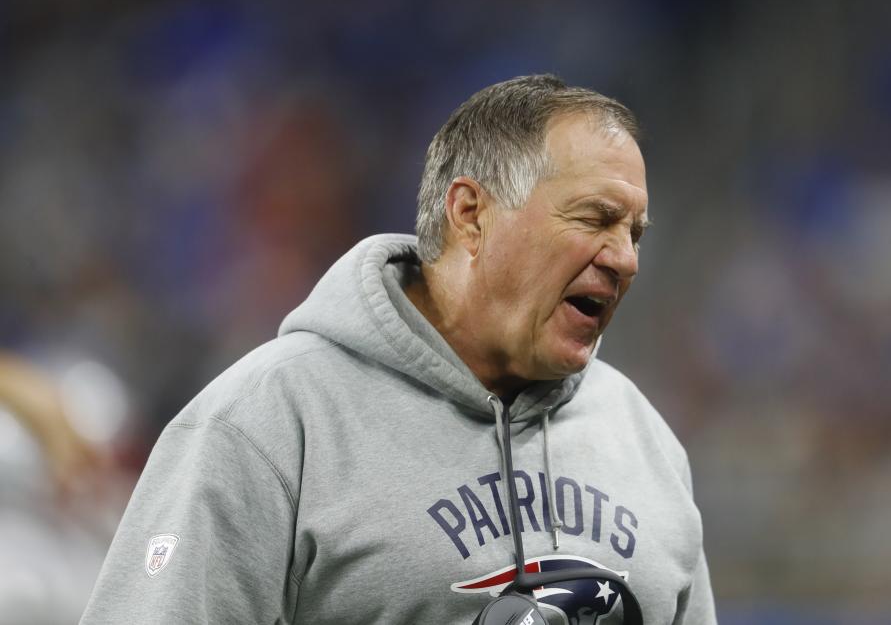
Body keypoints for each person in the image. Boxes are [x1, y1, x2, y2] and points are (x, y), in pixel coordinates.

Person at [81, 75, 716, 624]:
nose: (626, 259)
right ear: (470, 214)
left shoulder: (643, 439)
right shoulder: (266, 426)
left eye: (634, 232)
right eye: (593, 218)